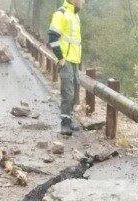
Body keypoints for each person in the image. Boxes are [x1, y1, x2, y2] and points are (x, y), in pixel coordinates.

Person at [48, 1, 83, 136]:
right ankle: (65, 124)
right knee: (67, 93)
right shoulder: (61, 13)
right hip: (66, 60)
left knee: (74, 92)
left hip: (74, 60)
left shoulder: (74, 15)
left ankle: (69, 119)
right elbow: (52, 36)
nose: (83, 2)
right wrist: (60, 57)